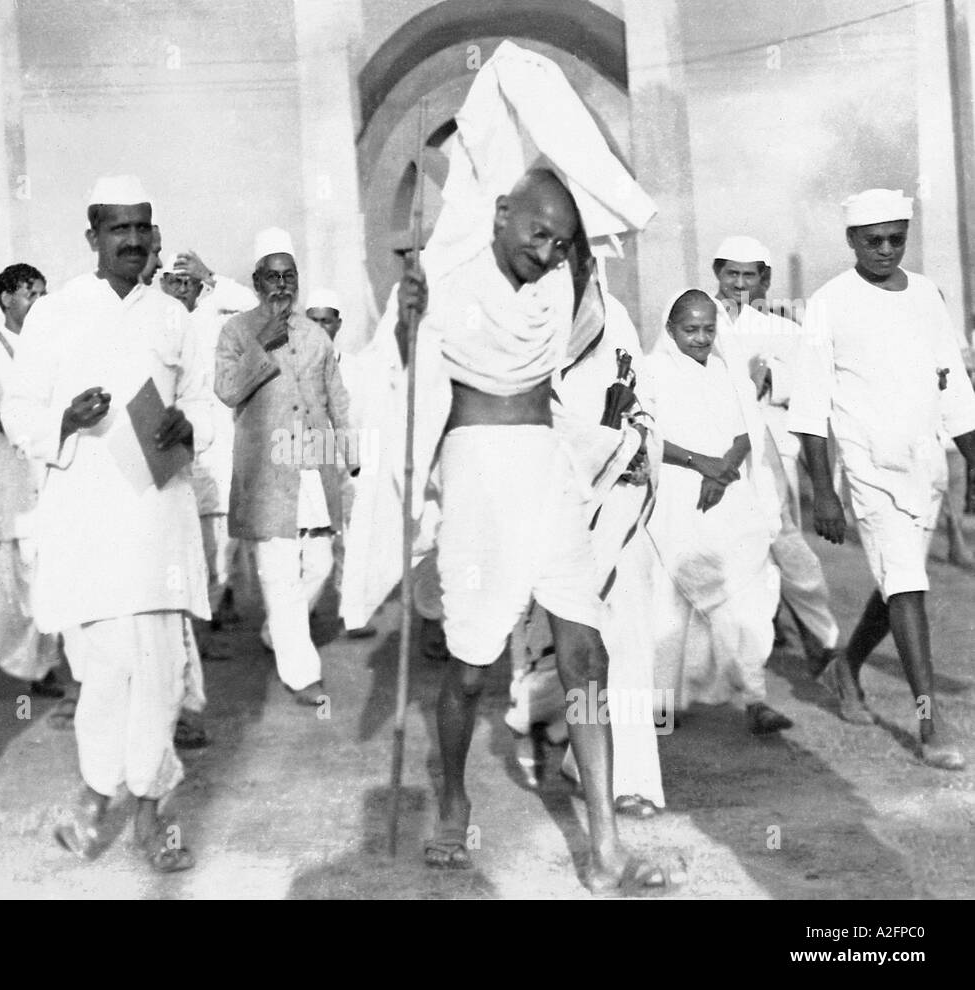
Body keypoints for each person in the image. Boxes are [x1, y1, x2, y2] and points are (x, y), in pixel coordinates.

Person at [395, 166, 672, 891]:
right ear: (501, 213)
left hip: (548, 473)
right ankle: (453, 800)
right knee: (470, 664)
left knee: (588, 656)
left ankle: (605, 843)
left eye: (561, 241)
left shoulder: (557, 293)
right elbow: (411, 383)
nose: (547, 251)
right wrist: (406, 324)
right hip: (479, 480)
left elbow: (585, 265)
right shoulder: (447, 288)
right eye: (538, 232)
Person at [3, 174, 210, 872]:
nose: (133, 240)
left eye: (142, 228)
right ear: (91, 237)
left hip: (158, 519)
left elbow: (206, 407)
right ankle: (96, 790)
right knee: (108, 667)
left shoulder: (174, 316)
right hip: (89, 521)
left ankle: (149, 814)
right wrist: (65, 420)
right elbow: (19, 414)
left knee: (161, 669)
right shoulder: (54, 314)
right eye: (117, 228)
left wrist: (190, 424)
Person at [790, 188, 975, 771]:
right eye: (874, 240)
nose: (887, 250)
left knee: (902, 581)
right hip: (871, 473)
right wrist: (825, 492)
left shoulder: (926, 296)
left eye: (898, 238)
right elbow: (809, 409)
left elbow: (955, 393)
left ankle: (846, 667)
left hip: (927, 468)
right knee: (907, 585)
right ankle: (928, 719)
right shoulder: (827, 304)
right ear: (851, 240)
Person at [506, 291, 666, 814]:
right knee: (561, 640)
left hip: (617, 496)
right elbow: (524, 416)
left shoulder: (614, 312)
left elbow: (642, 399)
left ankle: (629, 777)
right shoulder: (516, 315)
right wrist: (605, 449)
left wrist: (639, 444)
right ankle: (541, 718)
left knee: (629, 635)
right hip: (549, 493)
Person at [215, 228, 358, 705]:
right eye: (272, 276)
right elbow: (226, 389)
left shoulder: (316, 334)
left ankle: (281, 633)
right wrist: (262, 345)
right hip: (267, 474)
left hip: (313, 470)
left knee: (318, 563)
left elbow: (337, 396)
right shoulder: (235, 331)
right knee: (278, 572)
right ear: (257, 281)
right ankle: (302, 676)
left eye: (289, 276)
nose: (281, 285)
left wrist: (351, 453)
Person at [647, 289, 791, 735]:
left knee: (743, 596)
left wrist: (721, 469)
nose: (700, 338)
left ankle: (754, 699)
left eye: (709, 329)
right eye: (690, 329)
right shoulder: (650, 372)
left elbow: (748, 429)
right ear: (671, 329)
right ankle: (661, 703)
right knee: (669, 607)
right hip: (672, 497)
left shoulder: (728, 373)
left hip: (726, 493)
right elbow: (645, 434)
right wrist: (698, 464)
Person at [711, 236, 841, 671]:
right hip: (715, 451)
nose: (740, 283)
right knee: (728, 550)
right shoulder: (697, 318)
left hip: (773, 449)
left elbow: (810, 390)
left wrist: (768, 381)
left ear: (765, 280)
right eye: (732, 273)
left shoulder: (784, 329)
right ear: (718, 274)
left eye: (750, 275)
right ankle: (745, 652)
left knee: (785, 545)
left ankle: (819, 641)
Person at [0, 263, 62, 698]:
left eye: (44, 294)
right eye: (30, 294)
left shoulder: (56, 350)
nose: (39, 302)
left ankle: (33, 668)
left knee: (31, 574)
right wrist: (4, 418)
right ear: (6, 299)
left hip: (38, 477)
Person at [160, 250, 258, 633]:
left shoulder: (213, 318)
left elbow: (254, 309)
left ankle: (207, 625)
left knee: (215, 549)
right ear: (162, 283)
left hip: (213, 453)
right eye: (175, 280)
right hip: (167, 451)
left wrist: (212, 274)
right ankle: (188, 625)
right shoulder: (151, 320)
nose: (183, 288)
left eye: (190, 281)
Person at [304, 286, 377, 640]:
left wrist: (362, 465)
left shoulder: (358, 369)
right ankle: (298, 615)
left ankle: (353, 614)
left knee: (351, 541)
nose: (320, 327)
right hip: (308, 471)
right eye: (313, 320)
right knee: (311, 549)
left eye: (326, 321)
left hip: (348, 467)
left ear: (338, 324)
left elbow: (364, 419)